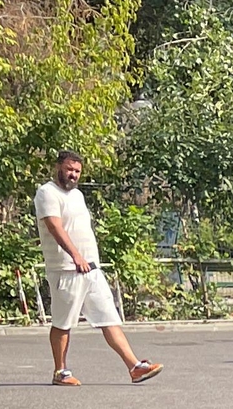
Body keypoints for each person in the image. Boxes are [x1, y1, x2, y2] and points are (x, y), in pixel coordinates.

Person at [34, 151, 160, 388]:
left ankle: (134, 367)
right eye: (69, 169)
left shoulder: (78, 195)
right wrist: (75, 256)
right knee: (63, 322)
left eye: (77, 171)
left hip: (91, 269)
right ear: (58, 167)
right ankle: (60, 371)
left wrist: (88, 260)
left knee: (108, 318)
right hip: (66, 269)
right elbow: (54, 227)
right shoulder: (47, 193)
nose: (73, 174)